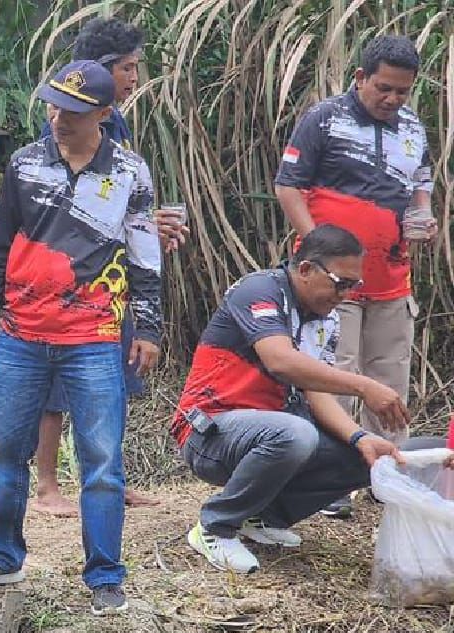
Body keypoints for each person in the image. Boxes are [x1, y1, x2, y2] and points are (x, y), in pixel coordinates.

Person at [0, 61, 163, 616]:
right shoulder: (25, 165)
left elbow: (145, 257)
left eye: (72, 112)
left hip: (96, 335)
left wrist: (147, 327)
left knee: (101, 458)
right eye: (52, 106)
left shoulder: (130, 174)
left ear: (103, 114)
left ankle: (104, 576)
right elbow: (0, 245)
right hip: (20, 333)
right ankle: (0, 556)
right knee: (3, 450)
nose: (57, 118)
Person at [172, 225, 408, 575]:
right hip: (211, 430)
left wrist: (360, 438)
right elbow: (280, 361)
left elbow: (316, 391)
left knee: (367, 459)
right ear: (306, 270)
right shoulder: (260, 290)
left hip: (271, 432)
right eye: (340, 282)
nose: (345, 293)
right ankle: (214, 528)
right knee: (295, 433)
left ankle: (261, 517)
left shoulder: (327, 320)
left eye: (353, 286)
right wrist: (363, 386)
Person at [274, 34, 434, 518]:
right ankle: (332, 482)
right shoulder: (325, 118)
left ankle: (386, 479)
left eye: (402, 92)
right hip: (332, 283)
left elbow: (420, 187)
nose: (392, 100)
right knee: (336, 372)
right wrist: (319, 251)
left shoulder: (412, 129)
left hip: (391, 277)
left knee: (390, 378)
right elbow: (287, 186)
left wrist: (422, 217)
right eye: (383, 88)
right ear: (360, 77)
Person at [32, 16, 187, 516]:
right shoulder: (64, 119)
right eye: (127, 67)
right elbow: (67, 204)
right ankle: (48, 487)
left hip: (110, 274)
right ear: (99, 70)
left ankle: (107, 479)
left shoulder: (113, 122)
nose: (135, 77)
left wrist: (147, 225)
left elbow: (116, 200)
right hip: (67, 271)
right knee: (56, 385)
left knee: (112, 379)